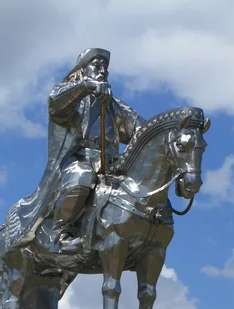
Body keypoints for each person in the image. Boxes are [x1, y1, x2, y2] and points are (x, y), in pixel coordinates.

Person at [17, 48, 146, 254]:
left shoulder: (113, 104)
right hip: (79, 159)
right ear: (83, 70)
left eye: (105, 68)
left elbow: (142, 130)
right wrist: (86, 86)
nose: (103, 71)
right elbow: (56, 105)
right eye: (97, 66)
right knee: (82, 176)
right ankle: (60, 234)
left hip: (112, 164)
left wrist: (172, 131)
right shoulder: (73, 96)